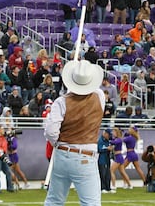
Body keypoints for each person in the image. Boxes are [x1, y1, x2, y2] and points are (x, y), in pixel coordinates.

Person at [43, 57, 106, 206]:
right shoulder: (100, 97)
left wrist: (58, 143)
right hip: (85, 156)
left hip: (62, 153)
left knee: (54, 201)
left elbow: (51, 132)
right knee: (91, 203)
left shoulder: (61, 101)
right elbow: (94, 89)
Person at [97, 129, 112, 193]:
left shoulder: (108, 140)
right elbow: (99, 149)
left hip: (107, 159)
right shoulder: (100, 140)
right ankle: (102, 187)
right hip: (102, 159)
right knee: (102, 173)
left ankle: (108, 187)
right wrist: (107, 148)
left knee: (108, 174)